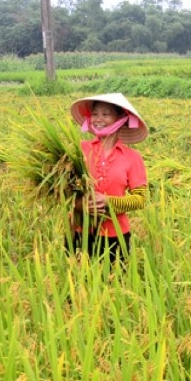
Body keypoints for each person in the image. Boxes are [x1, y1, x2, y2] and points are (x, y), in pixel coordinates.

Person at [68, 93, 148, 261]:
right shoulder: (79, 150)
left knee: (114, 284)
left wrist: (107, 202)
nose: (99, 119)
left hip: (115, 235)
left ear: (121, 118)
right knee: (78, 283)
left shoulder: (132, 157)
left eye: (106, 114)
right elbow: (60, 189)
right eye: (95, 114)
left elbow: (140, 199)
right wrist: (79, 204)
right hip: (80, 232)